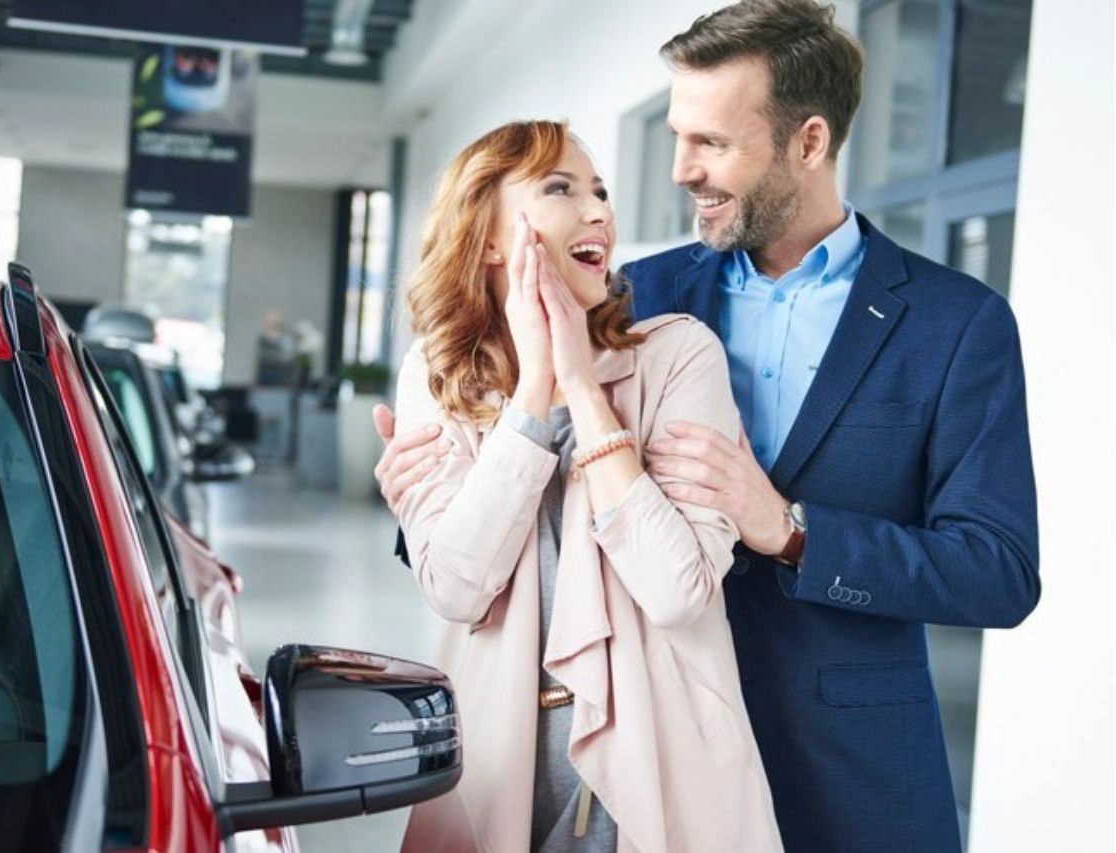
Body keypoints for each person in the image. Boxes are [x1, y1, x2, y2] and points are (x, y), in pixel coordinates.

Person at [375, 2, 1040, 852]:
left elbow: (998, 571)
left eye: (711, 143)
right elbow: (520, 504)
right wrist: (416, 497)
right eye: (678, 136)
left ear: (808, 142)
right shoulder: (633, 298)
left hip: (848, 767)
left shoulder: (956, 323)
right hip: (644, 747)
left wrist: (793, 533)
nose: (681, 170)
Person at [389, 120, 782, 853]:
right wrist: (534, 389)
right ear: (488, 236)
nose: (599, 209)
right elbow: (457, 587)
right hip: (496, 766)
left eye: (600, 191)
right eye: (561, 189)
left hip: (663, 764)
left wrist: (580, 383)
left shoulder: (677, 355)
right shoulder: (437, 375)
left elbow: (678, 591)